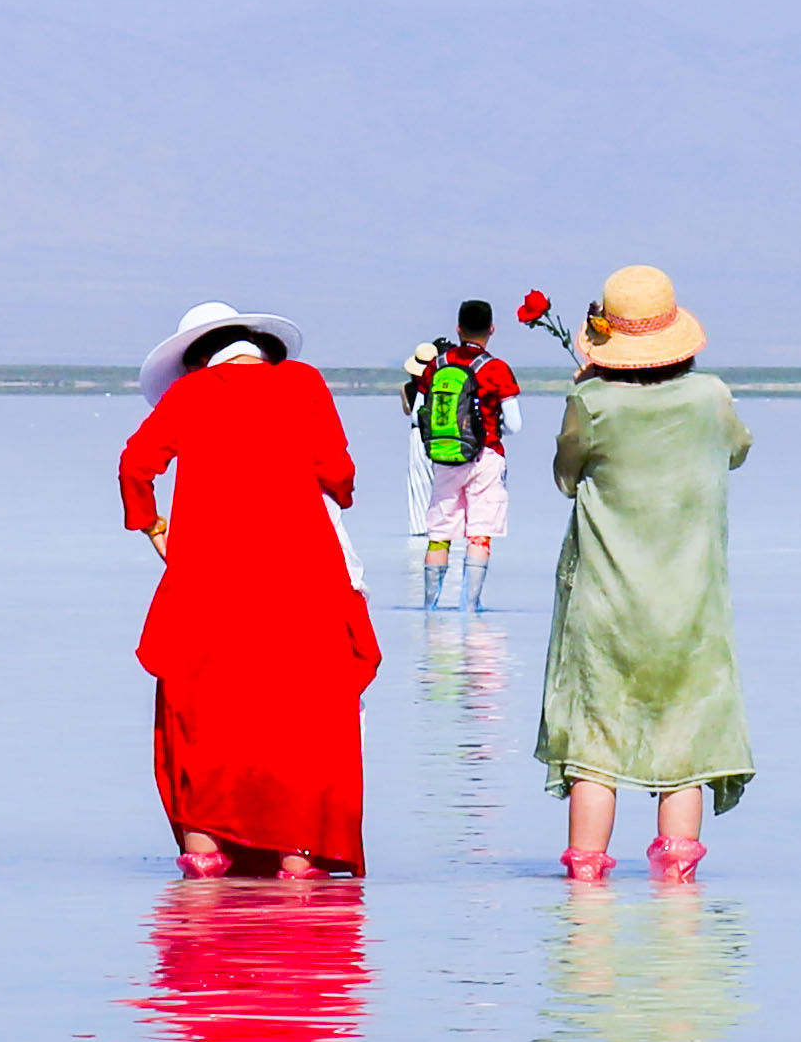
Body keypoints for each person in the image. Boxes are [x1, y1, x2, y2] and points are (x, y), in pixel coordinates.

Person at [123, 304, 379, 875]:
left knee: (206, 706)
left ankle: (205, 853)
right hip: (302, 568)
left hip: (208, 574)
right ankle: (297, 855)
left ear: (196, 361)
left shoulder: (189, 396)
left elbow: (136, 465)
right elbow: (337, 470)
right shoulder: (304, 381)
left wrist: (154, 528)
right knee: (303, 708)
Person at [535, 264, 754, 879]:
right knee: (682, 748)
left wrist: (588, 394)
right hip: (690, 603)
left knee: (595, 748)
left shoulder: (591, 402)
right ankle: (678, 903)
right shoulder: (711, 395)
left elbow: (565, 477)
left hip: (605, 603)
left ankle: (585, 893)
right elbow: (736, 449)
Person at [396, 301, 524, 611]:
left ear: (458, 328)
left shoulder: (436, 366)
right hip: (486, 456)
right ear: (491, 330)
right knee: (479, 534)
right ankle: (471, 606)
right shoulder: (497, 369)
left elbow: (417, 417)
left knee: (439, 533)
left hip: (445, 457)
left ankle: (430, 608)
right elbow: (516, 425)